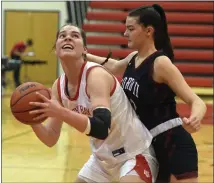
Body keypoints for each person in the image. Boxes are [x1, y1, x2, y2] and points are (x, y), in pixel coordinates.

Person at [86, 4, 207, 183]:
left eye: (130, 29)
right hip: (147, 144)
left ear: (148, 31)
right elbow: (112, 66)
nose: (125, 34)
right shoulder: (132, 58)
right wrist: (83, 55)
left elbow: (195, 100)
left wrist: (195, 117)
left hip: (173, 142)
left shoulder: (160, 63)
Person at [28, 23, 159, 183]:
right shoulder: (59, 86)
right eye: (62, 36)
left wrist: (61, 112)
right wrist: (31, 119)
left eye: (75, 36)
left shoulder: (95, 75)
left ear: (85, 50)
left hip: (134, 153)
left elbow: (101, 127)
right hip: (102, 161)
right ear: (56, 49)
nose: (67, 37)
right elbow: (50, 138)